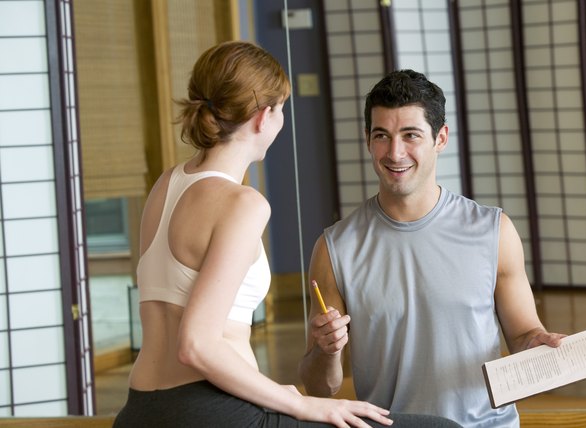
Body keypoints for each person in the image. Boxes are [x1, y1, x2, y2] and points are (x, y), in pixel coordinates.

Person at [114, 41, 459, 428]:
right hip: (212, 414)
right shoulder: (243, 203)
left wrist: (274, 393)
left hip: (140, 409)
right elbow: (196, 345)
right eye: (282, 110)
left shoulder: (167, 184)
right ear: (265, 116)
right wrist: (305, 406)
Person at [298, 69, 564, 428]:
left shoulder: (493, 231)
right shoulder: (335, 249)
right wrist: (326, 351)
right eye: (382, 136)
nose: (395, 152)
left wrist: (538, 345)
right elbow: (320, 386)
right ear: (367, 140)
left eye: (411, 135)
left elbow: (522, 335)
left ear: (440, 138)